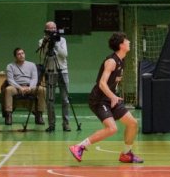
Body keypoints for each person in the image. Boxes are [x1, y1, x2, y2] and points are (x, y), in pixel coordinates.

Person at [69, 32, 143, 163]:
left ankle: (126, 154)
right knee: (112, 129)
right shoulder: (111, 61)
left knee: (132, 123)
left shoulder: (121, 60)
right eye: (126, 40)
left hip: (110, 98)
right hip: (99, 99)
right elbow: (102, 83)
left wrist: (113, 96)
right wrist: (113, 96)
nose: (129, 42)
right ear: (121, 45)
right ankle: (79, 147)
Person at [37, 21, 71, 132]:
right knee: (50, 100)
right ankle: (51, 124)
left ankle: (66, 124)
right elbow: (43, 56)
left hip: (62, 71)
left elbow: (64, 54)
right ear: (45, 30)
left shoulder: (62, 40)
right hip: (50, 72)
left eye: (54, 28)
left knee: (65, 99)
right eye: (50, 28)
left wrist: (55, 44)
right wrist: (47, 43)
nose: (52, 30)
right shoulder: (42, 41)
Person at [3, 48, 46, 126]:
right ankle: (8, 115)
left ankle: (39, 115)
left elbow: (34, 79)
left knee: (42, 89)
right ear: (15, 56)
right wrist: (20, 87)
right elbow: (10, 80)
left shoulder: (32, 65)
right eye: (19, 54)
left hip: (30, 86)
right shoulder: (10, 66)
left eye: (22, 53)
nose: (21, 55)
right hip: (16, 87)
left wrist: (30, 87)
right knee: (8, 90)